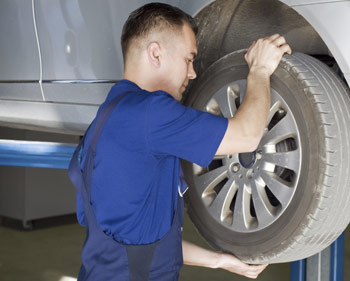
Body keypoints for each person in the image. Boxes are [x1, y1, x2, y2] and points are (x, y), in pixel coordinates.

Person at [69, 2, 292, 281]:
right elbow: (247, 136)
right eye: (188, 59)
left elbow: (141, 244)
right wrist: (259, 70)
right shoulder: (150, 113)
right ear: (155, 53)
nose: (193, 73)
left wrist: (220, 261)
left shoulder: (101, 126)